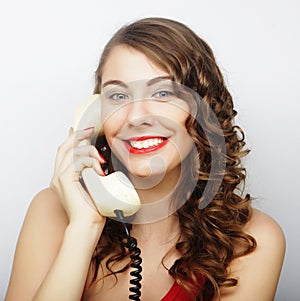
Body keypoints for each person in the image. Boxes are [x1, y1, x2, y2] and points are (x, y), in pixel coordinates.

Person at [5, 17, 285, 301]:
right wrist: (83, 230)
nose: (137, 117)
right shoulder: (51, 212)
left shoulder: (254, 240)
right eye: (118, 95)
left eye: (162, 93)